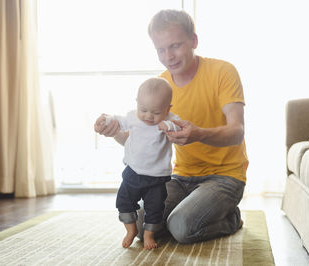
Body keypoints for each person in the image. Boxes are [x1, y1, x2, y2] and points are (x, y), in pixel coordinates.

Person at [95, 9, 248, 244]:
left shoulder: (222, 72)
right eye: (161, 49)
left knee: (181, 227)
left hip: (225, 176)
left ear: (194, 41)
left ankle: (231, 217)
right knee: (139, 224)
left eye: (175, 46)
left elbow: (237, 132)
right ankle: (191, 214)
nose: (169, 56)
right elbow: (141, 140)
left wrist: (197, 134)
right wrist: (115, 132)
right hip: (180, 176)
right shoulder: (161, 86)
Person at [94, 77, 179, 249]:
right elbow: (117, 120)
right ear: (137, 103)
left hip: (157, 178)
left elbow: (179, 126)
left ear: (167, 109)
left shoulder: (169, 119)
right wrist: (106, 120)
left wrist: (169, 125)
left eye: (155, 113)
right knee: (124, 202)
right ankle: (131, 230)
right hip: (133, 172)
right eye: (144, 110)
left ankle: (149, 235)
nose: (148, 116)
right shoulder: (133, 117)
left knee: (155, 209)